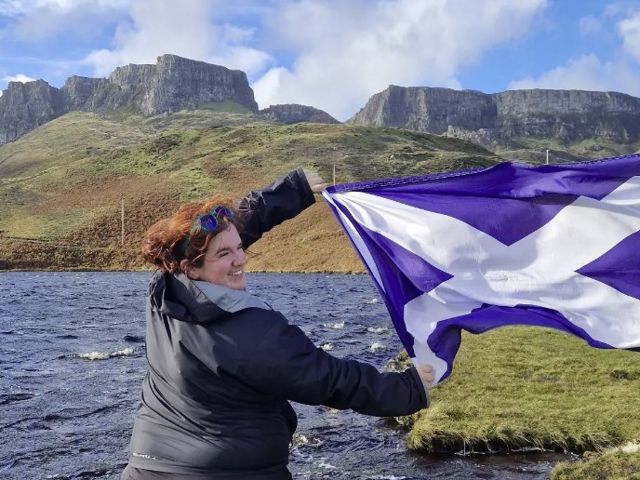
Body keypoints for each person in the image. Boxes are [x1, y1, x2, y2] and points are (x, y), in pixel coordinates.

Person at [121, 168, 434, 480]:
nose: (240, 259)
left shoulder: (162, 293)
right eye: (225, 254)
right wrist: (409, 388)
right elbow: (330, 380)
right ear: (192, 268)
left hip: (145, 468)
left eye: (239, 247)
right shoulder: (255, 334)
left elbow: (231, 230)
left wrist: (293, 190)